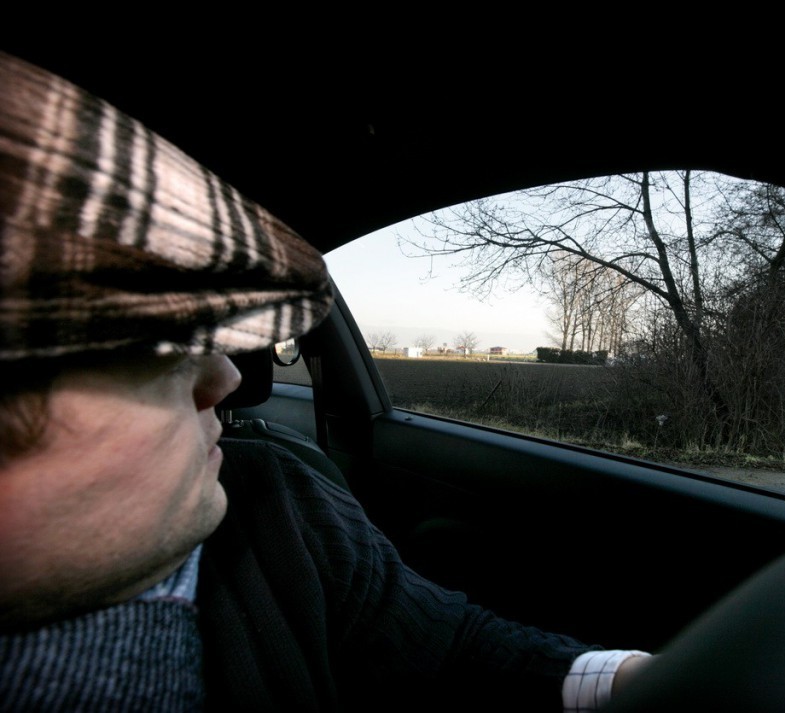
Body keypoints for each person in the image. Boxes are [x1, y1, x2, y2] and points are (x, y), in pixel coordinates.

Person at [0, 50, 652, 711]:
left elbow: (449, 650)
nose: (225, 375)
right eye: (159, 348)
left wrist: (630, 681)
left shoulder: (276, 503)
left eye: (211, 338)